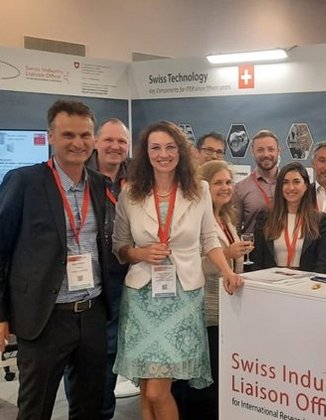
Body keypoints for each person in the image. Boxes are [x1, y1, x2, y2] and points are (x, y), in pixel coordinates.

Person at [112, 120, 243, 420]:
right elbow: (120, 246)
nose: (163, 154)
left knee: (158, 391)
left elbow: (209, 239)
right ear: (145, 153)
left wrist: (227, 271)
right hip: (142, 297)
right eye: (155, 148)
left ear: (181, 151)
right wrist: (140, 252)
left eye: (170, 147)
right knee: (147, 388)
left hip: (183, 297)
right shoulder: (130, 193)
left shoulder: (199, 190)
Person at [0, 99, 111, 420]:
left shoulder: (99, 184)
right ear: (50, 136)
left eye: (85, 135)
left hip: (91, 313)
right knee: (35, 410)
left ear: (93, 138)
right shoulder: (25, 182)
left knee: (89, 407)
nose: (78, 143)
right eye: (68, 135)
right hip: (45, 318)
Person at [63, 118, 132, 419]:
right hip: (87, 283)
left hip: (128, 277)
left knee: (111, 355)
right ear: (95, 143)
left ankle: (104, 412)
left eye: (122, 141)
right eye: (109, 140)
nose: (115, 146)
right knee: (82, 356)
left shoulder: (137, 178)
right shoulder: (79, 176)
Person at [172, 160, 251, 420]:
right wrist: (226, 254)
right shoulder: (193, 220)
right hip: (203, 312)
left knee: (217, 380)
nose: (225, 187)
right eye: (218, 183)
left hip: (224, 311)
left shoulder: (225, 218)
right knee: (201, 384)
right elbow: (188, 265)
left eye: (228, 182)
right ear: (203, 186)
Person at [252, 162, 326, 273]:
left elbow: (321, 263)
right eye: (285, 182)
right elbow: (257, 260)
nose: (291, 187)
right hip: (271, 280)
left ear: (306, 185)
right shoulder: (265, 218)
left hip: (305, 281)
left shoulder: (320, 220)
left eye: (296, 182)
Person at [235, 129, 280, 234]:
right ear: (252, 152)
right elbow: (235, 230)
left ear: (278, 151)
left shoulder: (289, 185)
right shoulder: (240, 188)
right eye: (260, 150)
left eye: (271, 149)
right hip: (254, 244)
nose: (266, 154)